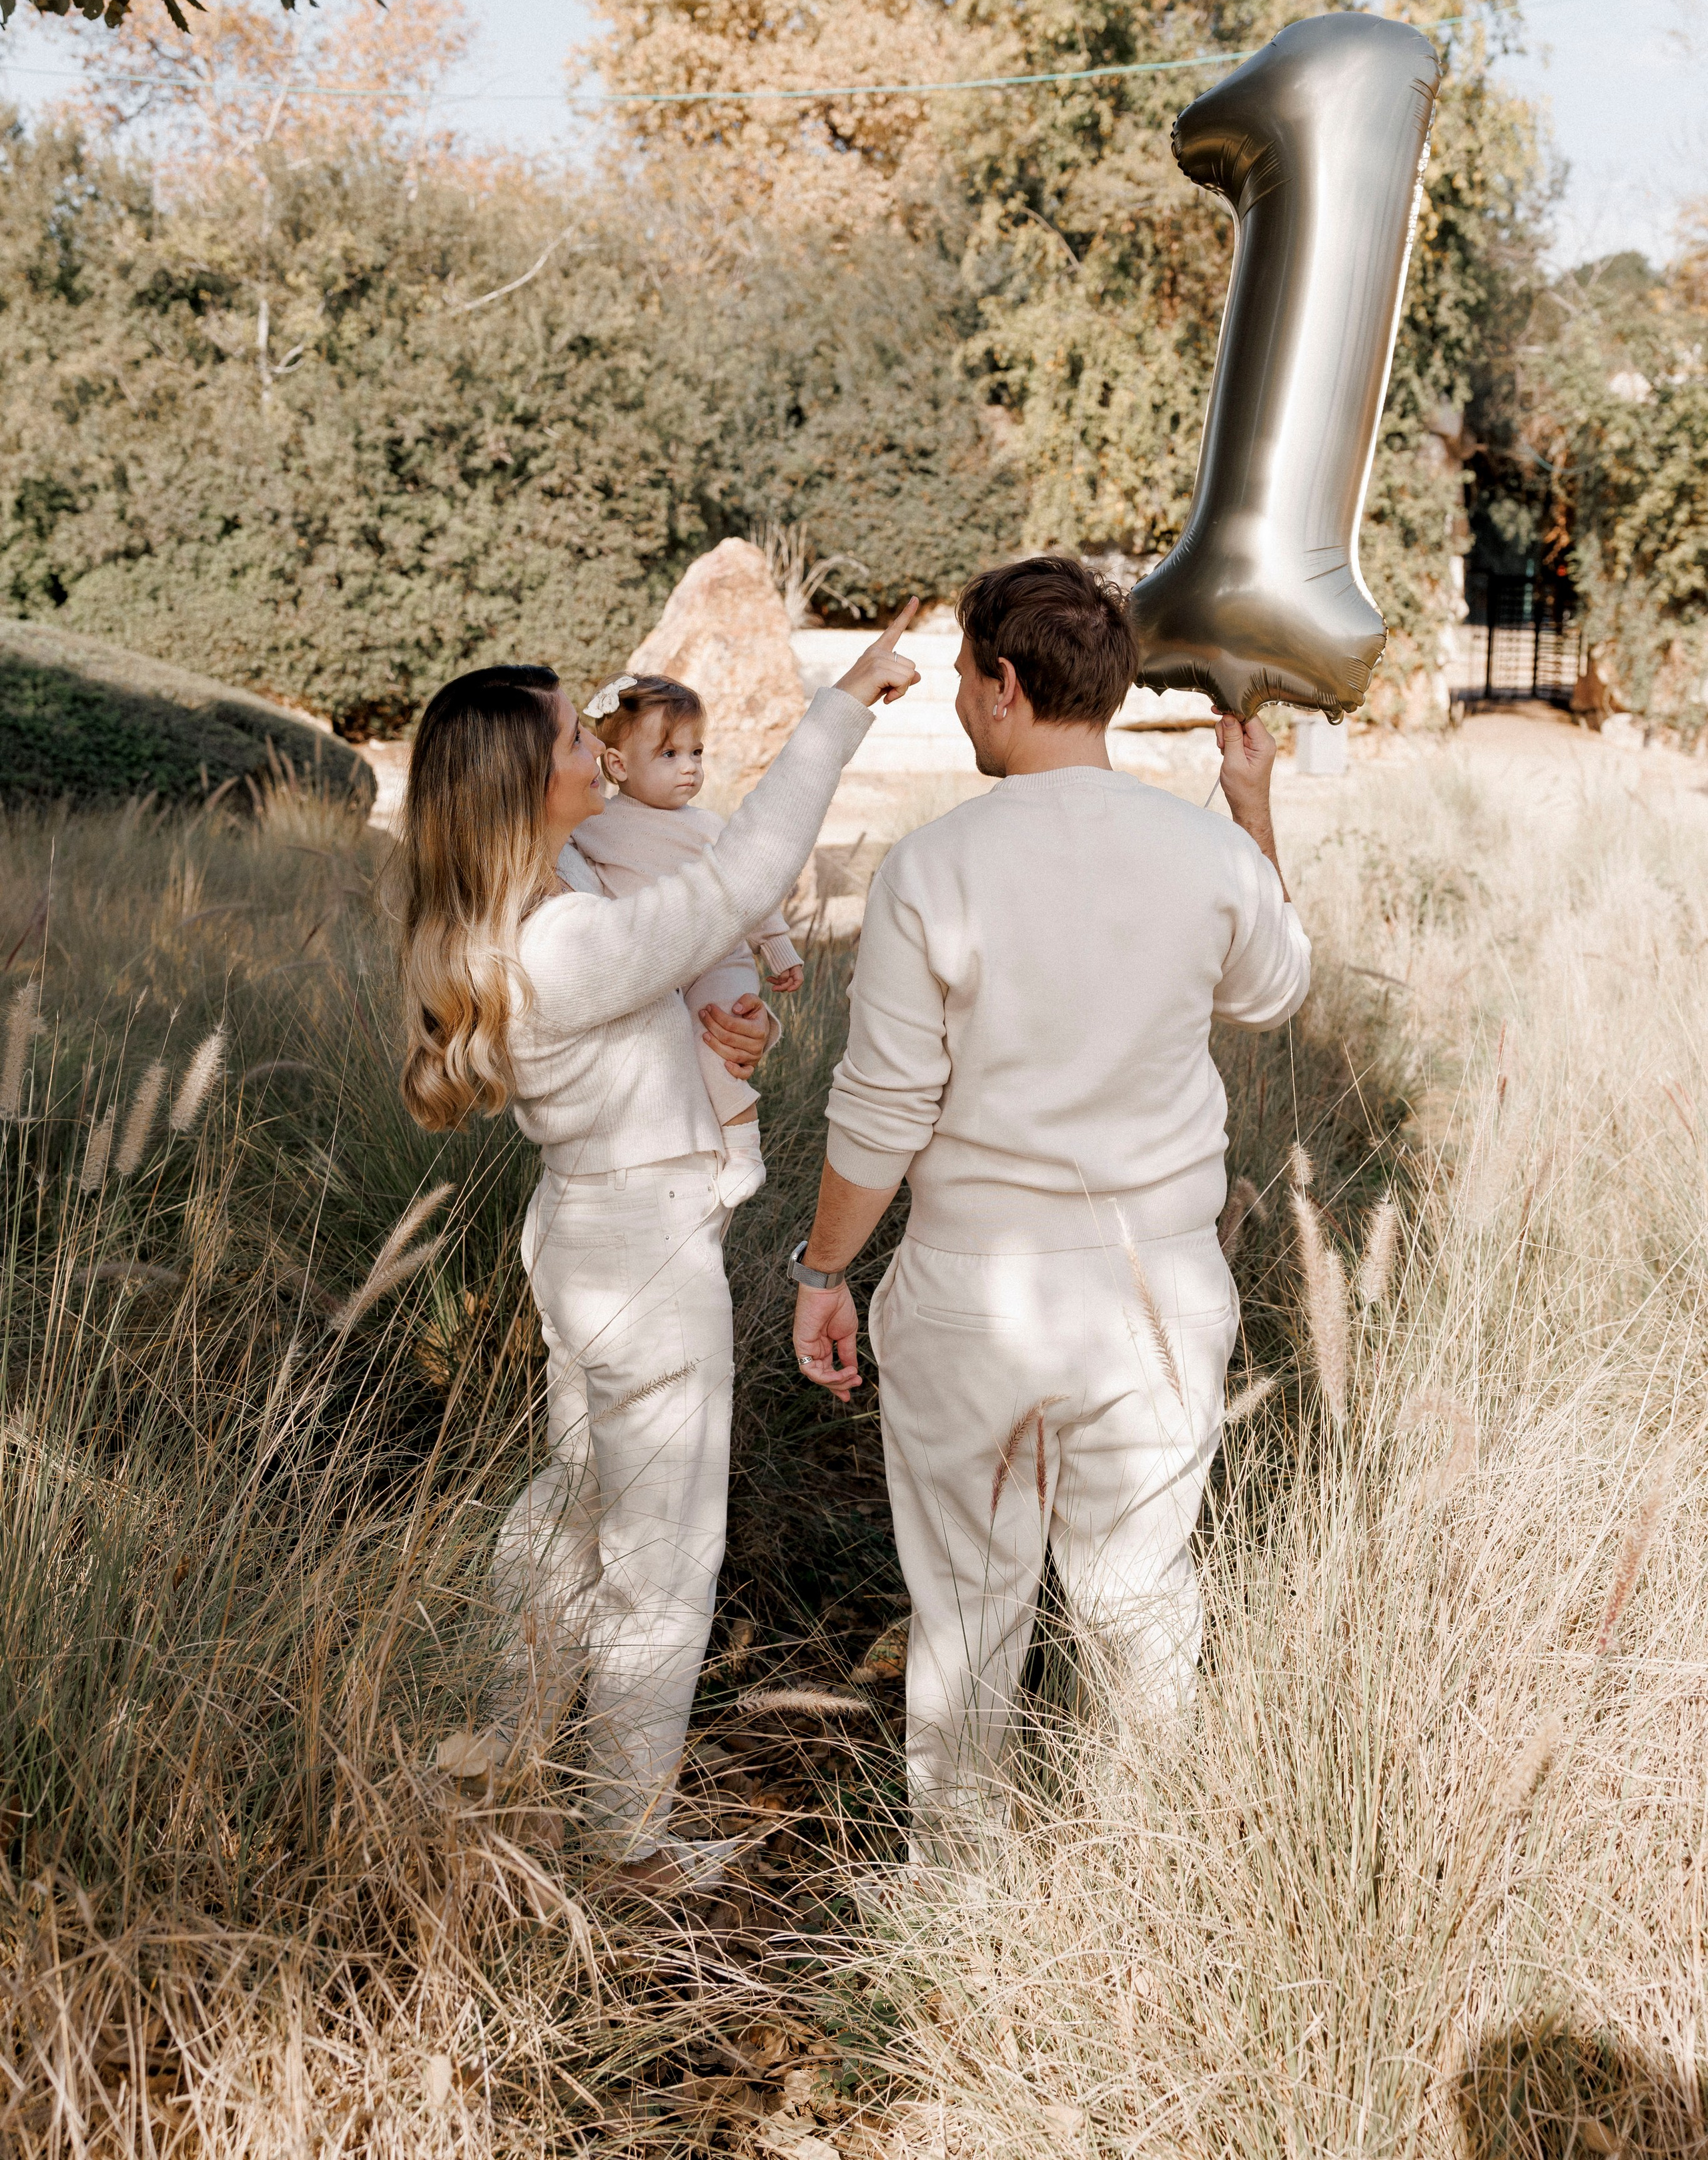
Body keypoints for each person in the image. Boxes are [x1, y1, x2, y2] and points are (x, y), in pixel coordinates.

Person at [785, 556, 1310, 1852]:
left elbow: (882, 1110)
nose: (962, 702)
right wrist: (1247, 807)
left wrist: (821, 1272)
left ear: (1006, 684)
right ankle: (1143, 1883)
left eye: (966, 677)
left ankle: (963, 1899)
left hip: (977, 1292)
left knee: (968, 1614)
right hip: (1158, 1290)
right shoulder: (1202, 856)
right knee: (1139, 1602)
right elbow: (1272, 991)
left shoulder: (931, 868)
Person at [394, 607, 919, 1888]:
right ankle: (620, 1838)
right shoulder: (565, 937)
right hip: (637, 1253)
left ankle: (505, 1746)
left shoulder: (553, 896)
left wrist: (726, 1035)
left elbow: (686, 976)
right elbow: (738, 881)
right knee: (665, 1556)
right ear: (531, 783)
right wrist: (841, 705)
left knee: (575, 1507)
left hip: (589, 1235)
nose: (596, 745)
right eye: (577, 734)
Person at [575, 673, 804, 1210]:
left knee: (714, 1036)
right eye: (670, 753)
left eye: (696, 752)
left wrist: (778, 948)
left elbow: (751, 886)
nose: (690, 767)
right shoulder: (594, 826)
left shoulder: (707, 827)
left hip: (716, 960)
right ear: (618, 765)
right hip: (652, 967)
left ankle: (744, 1146)